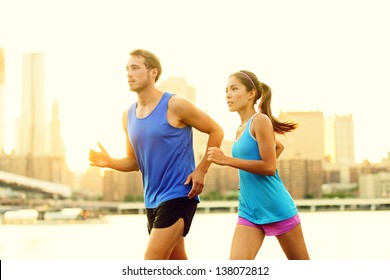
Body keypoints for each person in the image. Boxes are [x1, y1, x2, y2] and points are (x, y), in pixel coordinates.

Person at [89, 49, 224, 260]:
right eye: (127, 69)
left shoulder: (175, 104)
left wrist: (201, 170)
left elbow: (216, 130)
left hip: (180, 194)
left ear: (153, 72)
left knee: (151, 263)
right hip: (151, 200)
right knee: (175, 263)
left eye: (135, 68)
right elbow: (134, 162)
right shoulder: (127, 116)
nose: (129, 74)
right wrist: (110, 162)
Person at [206, 70, 310, 260]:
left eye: (234, 89)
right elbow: (277, 146)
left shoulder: (260, 121)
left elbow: (269, 167)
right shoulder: (240, 128)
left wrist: (227, 160)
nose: (227, 95)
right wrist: (248, 177)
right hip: (249, 209)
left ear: (251, 93)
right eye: (226, 90)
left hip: (275, 205)